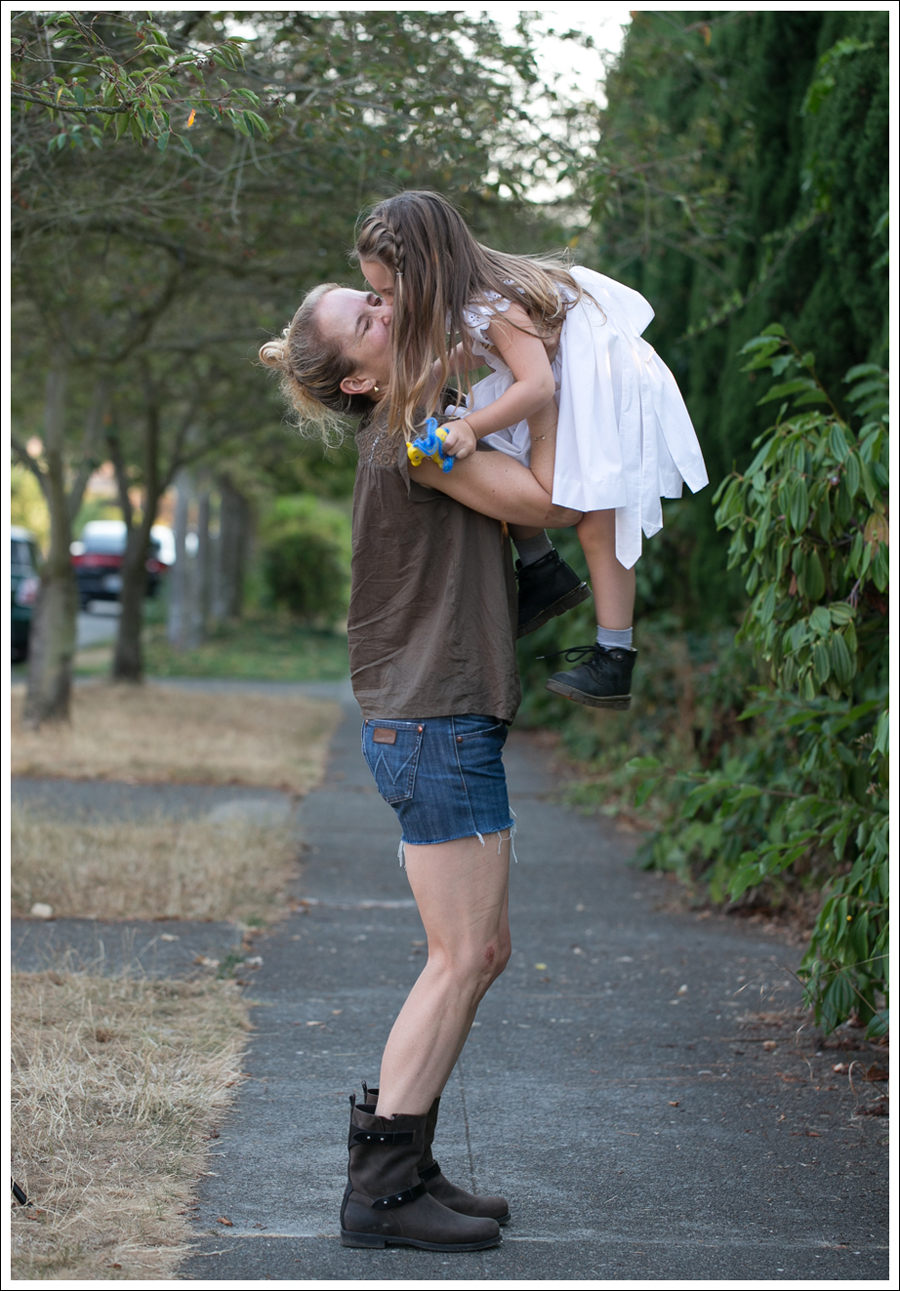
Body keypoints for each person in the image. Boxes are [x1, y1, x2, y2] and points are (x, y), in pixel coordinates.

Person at [260, 283, 582, 1252]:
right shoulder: (416, 440)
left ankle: (410, 1159)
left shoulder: (429, 420)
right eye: (363, 319)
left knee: (481, 951)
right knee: (462, 955)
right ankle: (382, 1192)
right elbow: (551, 503)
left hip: (438, 718)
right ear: (359, 379)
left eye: (370, 297)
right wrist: (542, 385)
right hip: (433, 721)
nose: (384, 306)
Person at [354, 191, 710, 710]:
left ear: (428, 269)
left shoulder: (493, 303)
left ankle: (615, 655)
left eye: (388, 292)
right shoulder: (471, 296)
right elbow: (480, 348)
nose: (387, 307)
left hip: (598, 378)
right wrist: (433, 375)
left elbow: (537, 385)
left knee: (598, 513)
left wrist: (471, 426)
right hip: (566, 375)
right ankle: (543, 571)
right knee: (500, 453)